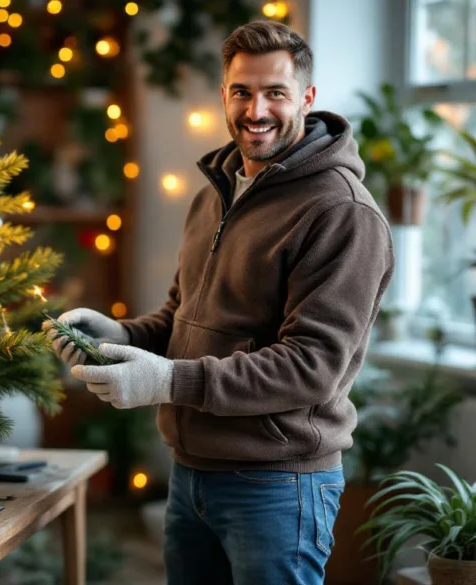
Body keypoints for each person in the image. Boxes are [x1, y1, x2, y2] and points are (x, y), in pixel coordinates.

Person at [43, 20, 394, 585]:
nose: (256, 110)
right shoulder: (217, 192)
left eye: (275, 93)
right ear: (224, 95)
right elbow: (181, 318)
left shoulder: (342, 213)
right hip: (191, 475)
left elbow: (313, 368)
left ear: (306, 97)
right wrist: (120, 335)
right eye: (242, 91)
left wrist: (168, 382)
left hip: (278, 486)